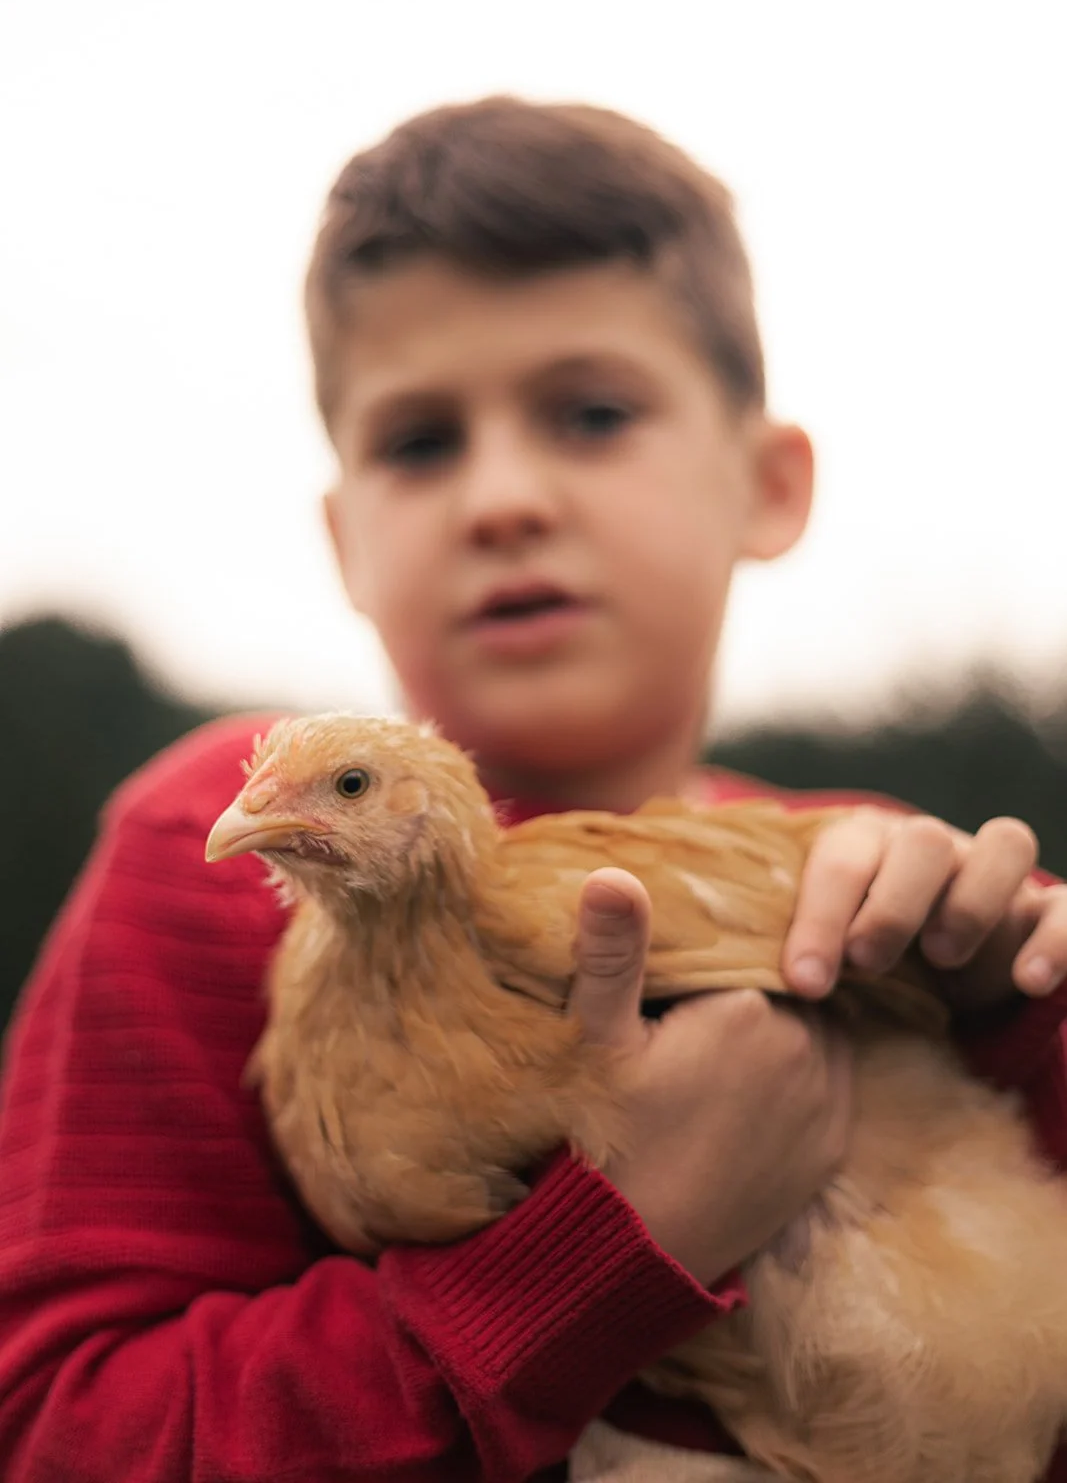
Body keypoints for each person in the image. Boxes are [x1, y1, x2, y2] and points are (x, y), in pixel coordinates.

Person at [0, 97, 1064, 1483]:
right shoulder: (202, 868)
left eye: (591, 414)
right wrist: (605, 1249)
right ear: (344, 540)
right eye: (420, 443)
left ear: (767, 487)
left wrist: (1010, 1017)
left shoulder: (883, 885)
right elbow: (61, 1438)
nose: (501, 496)